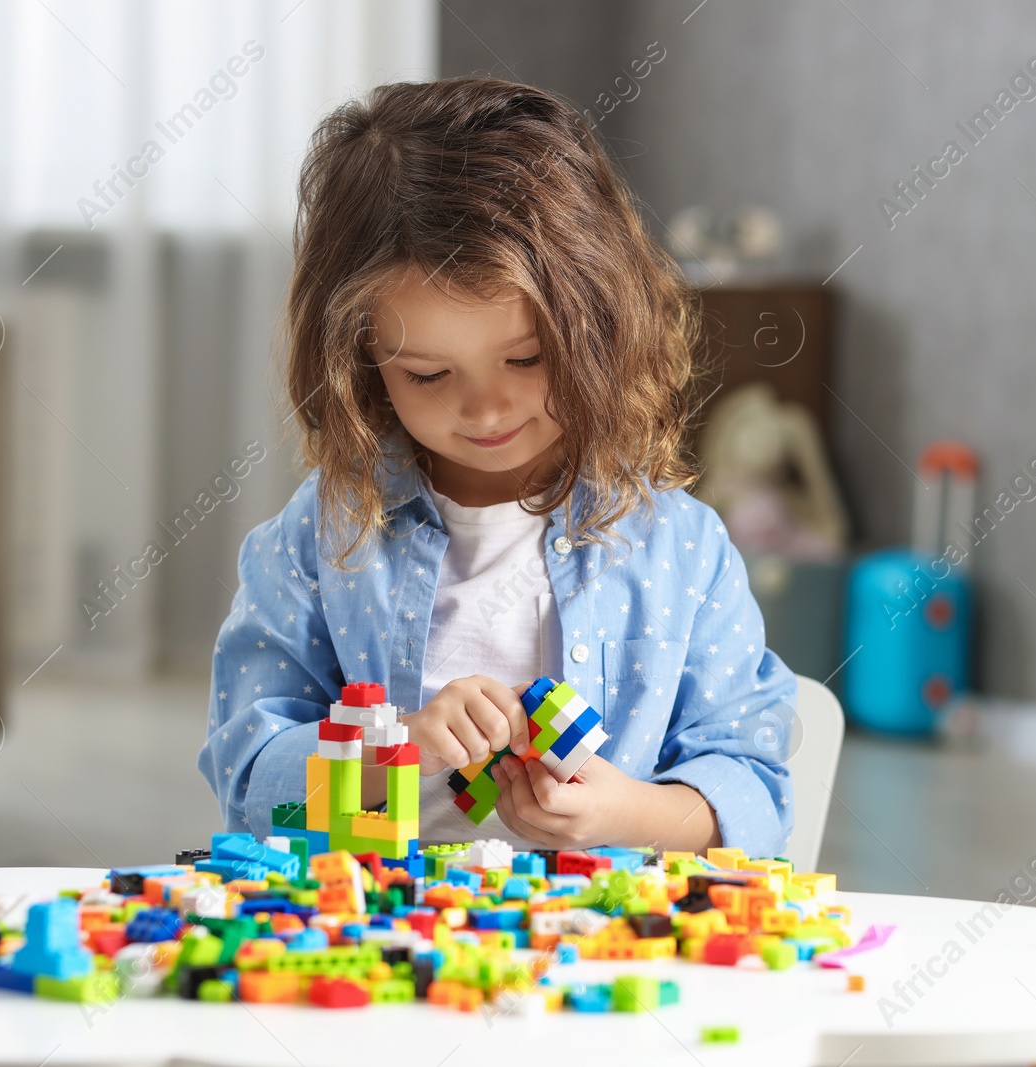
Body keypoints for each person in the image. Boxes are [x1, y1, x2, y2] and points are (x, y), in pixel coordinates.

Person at [197, 76, 797, 856]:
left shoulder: (678, 547)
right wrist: (395, 746)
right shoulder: (322, 537)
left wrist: (626, 814)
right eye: (428, 374)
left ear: (599, 324)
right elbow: (249, 782)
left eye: (526, 357)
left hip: (596, 951)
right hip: (381, 941)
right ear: (362, 359)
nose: (486, 410)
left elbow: (754, 788)